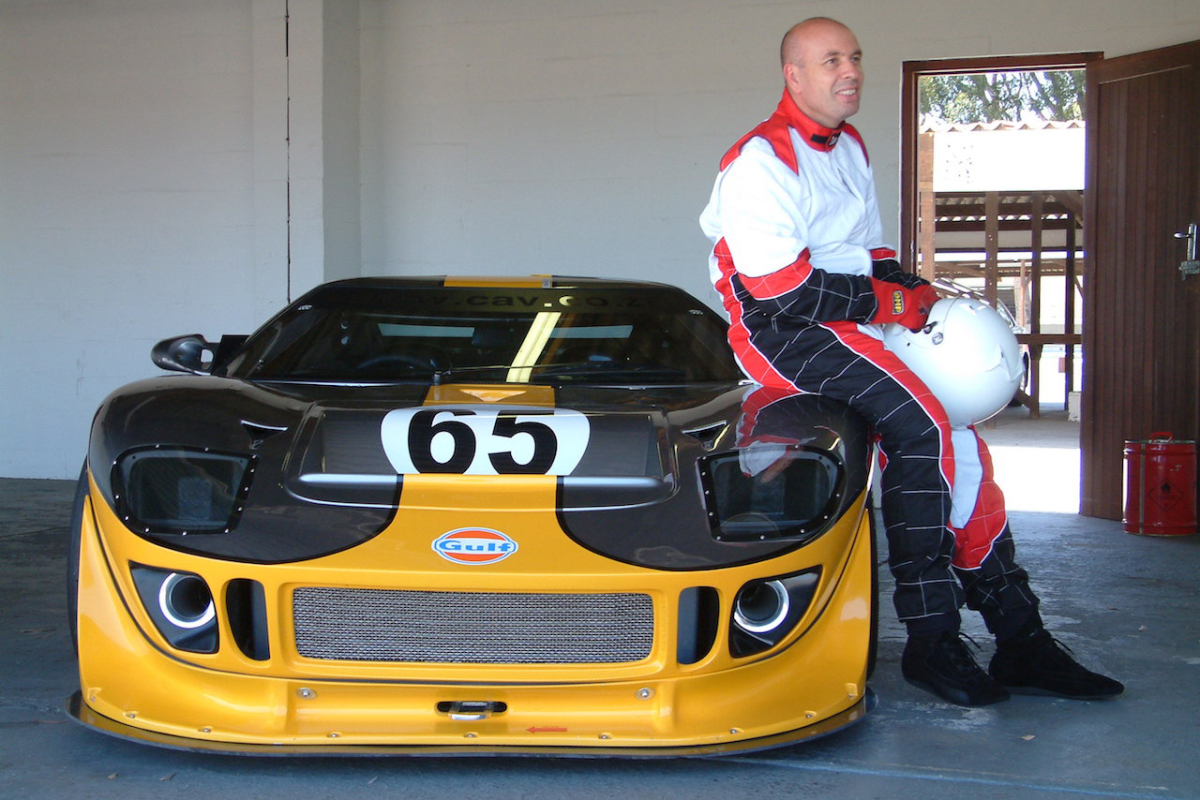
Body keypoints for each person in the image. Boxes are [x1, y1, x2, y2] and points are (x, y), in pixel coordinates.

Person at [699, 17, 1123, 706]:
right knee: (921, 425)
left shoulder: (850, 146)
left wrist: (908, 285)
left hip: (845, 318)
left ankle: (1021, 636)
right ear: (794, 75)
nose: (851, 71)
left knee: (958, 436)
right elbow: (782, 291)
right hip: (786, 333)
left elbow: (867, 253)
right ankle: (932, 641)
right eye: (831, 60)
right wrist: (890, 304)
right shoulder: (759, 161)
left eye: (856, 58)